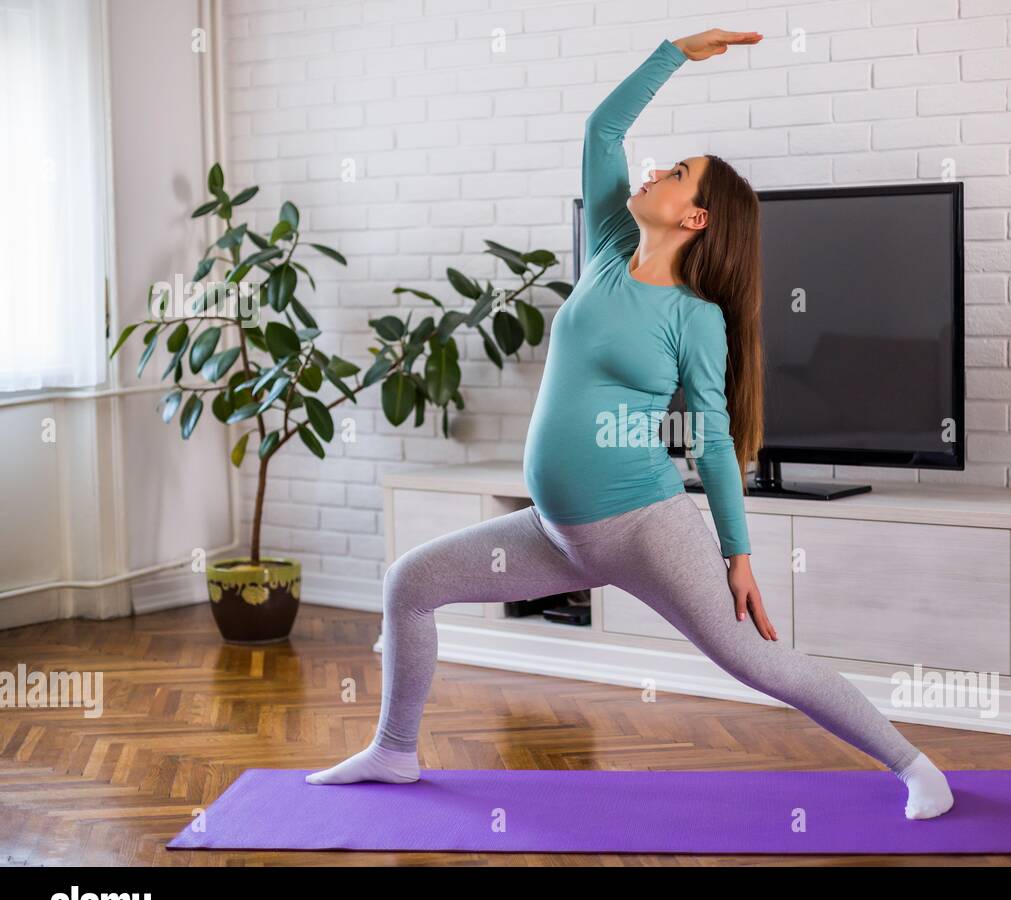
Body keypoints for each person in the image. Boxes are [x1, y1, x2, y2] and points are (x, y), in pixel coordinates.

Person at [307, 29, 954, 821]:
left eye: (678, 174)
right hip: (556, 531)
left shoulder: (695, 318)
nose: (657, 172)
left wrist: (738, 552)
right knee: (408, 585)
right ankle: (395, 752)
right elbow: (602, 132)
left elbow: (714, 439)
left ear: (698, 218)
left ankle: (917, 767)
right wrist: (673, 53)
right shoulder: (610, 251)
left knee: (760, 664)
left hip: (647, 527)